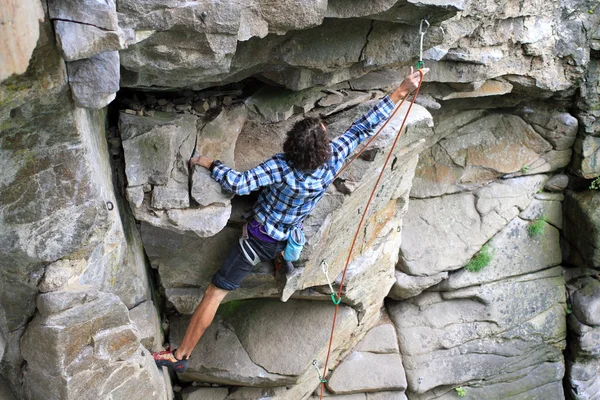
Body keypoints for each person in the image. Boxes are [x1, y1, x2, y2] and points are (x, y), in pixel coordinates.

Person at [153, 68, 428, 372]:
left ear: (291, 146)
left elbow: (239, 184)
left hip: (256, 241)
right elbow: (365, 127)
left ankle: (181, 357)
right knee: (279, 233)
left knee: (214, 293)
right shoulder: (333, 158)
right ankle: (284, 259)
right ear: (323, 147)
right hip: (285, 233)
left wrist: (209, 162)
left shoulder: (281, 166)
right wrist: (402, 90)